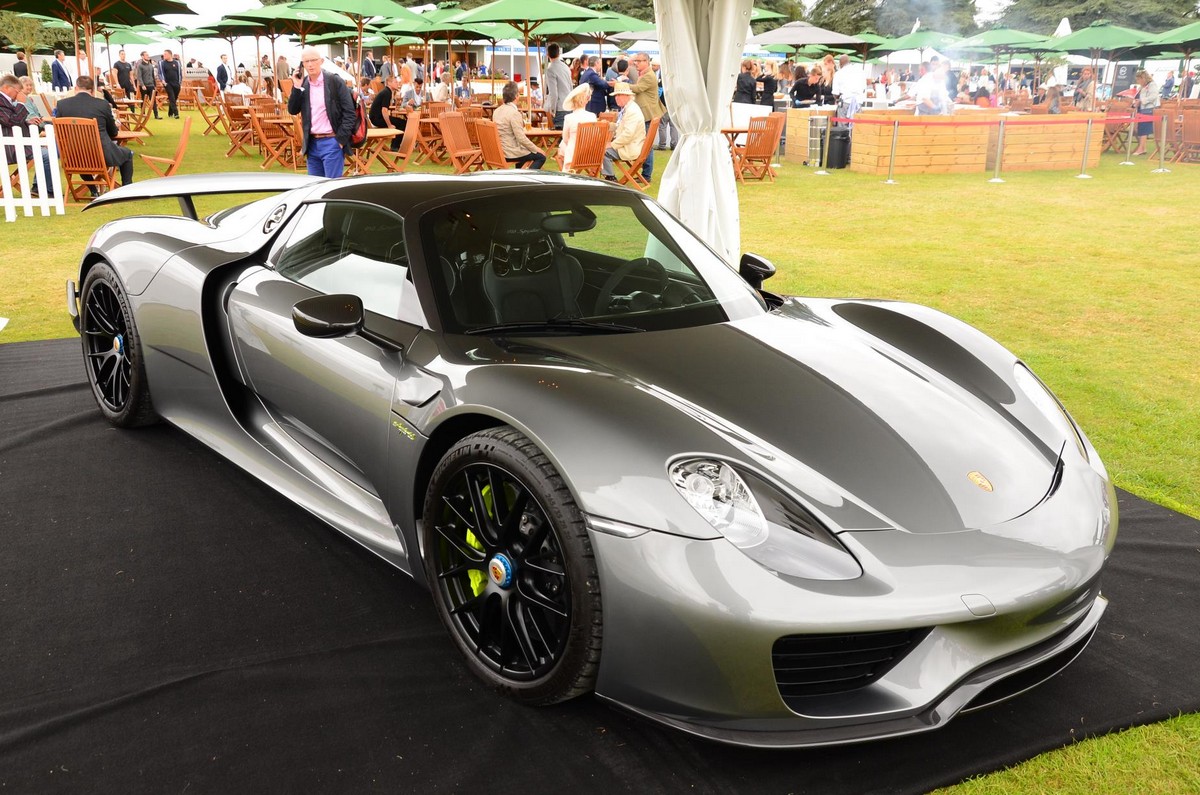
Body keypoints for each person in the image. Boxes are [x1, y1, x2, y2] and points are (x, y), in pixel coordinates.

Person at [288, 46, 356, 178]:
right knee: (314, 186)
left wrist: (340, 140)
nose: (310, 64)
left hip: (332, 141)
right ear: (302, 64)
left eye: (313, 60)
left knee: (331, 186)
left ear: (321, 61)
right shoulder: (303, 84)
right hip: (312, 143)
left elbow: (349, 112)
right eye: (306, 61)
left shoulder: (334, 81)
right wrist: (296, 86)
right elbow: (292, 110)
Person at [55, 75, 133, 190]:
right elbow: (113, 133)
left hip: (74, 156)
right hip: (101, 155)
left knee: (82, 157)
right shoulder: (102, 104)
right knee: (127, 154)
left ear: (76, 88)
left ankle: (93, 190)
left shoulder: (62, 105)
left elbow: (61, 132)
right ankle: (127, 189)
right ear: (92, 90)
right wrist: (115, 126)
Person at [0, 74, 54, 197]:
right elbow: (12, 121)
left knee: (46, 152)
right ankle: (46, 190)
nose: (19, 94)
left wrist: (27, 121)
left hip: (17, 144)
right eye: (17, 91)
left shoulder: (5, 100)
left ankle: (40, 187)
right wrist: (21, 103)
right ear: (7, 88)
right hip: (10, 148)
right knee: (47, 154)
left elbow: (10, 121)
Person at [493, 81, 546, 169]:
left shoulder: (497, 111)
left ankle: (519, 173)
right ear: (516, 96)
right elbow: (521, 138)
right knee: (541, 157)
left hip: (499, 151)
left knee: (524, 152)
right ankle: (526, 177)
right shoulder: (514, 113)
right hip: (510, 153)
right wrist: (536, 149)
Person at [629, 52, 663, 182]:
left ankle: (646, 175)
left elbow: (638, 89)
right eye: (635, 61)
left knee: (647, 146)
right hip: (648, 114)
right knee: (645, 144)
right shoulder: (645, 74)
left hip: (648, 115)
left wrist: (621, 84)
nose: (636, 63)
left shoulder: (648, 76)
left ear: (646, 62)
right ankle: (645, 174)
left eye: (638, 61)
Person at [601, 81, 644, 181]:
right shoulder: (629, 107)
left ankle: (610, 178)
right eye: (616, 95)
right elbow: (621, 126)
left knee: (602, 150)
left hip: (630, 148)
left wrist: (612, 144)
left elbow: (628, 135)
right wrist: (608, 125)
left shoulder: (632, 111)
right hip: (629, 145)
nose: (616, 98)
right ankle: (607, 176)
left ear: (627, 95)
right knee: (602, 147)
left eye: (619, 95)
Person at [555, 84, 595, 170]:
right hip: (591, 155)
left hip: (574, 155)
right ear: (587, 100)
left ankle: (567, 172)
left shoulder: (569, 118)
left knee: (562, 147)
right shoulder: (592, 116)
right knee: (564, 146)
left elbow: (565, 139)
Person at [543, 42, 572, 130]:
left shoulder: (550, 69)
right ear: (559, 53)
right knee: (566, 136)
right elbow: (571, 87)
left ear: (548, 55)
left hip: (559, 108)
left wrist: (552, 110)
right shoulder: (566, 67)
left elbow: (553, 93)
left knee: (559, 135)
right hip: (569, 106)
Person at [1131, 70, 1160, 156]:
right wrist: (1137, 102)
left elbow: (1153, 96)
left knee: (1144, 128)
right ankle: (1143, 148)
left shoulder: (1152, 85)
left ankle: (1141, 148)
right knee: (1141, 128)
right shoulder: (1141, 87)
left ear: (1143, 78)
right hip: (1142, 109)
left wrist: (1141, 101)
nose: (1138, 81)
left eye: (1139, 79)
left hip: (1150, 109)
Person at [832, 53, 866, 118]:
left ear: (840, 64)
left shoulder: (838, 73)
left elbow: (835, 93)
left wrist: (837, 99)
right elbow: (864, 89)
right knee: (856, 124)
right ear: (849, 62)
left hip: (845, 102)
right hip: (858, 103)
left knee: (842, 124)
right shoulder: (860, 72)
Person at [134, 50, 159, 119]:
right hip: (144, 86)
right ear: (142, 56)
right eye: (146, 55)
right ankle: (143, 114)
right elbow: (139, 76)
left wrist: (155, 85)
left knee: (153, 100)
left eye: (148, 55)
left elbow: (153, 76)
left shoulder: (150, 65)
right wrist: (142, 85)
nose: (148, 56)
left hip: (151, 85)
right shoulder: (140, 66)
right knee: (143, 101)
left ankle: (156, 115)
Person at [159, 49, 181, 118]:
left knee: (174, 98)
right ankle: (176, 113)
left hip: (176, 83)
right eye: (164, 54)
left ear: (170, 55)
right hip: (167, 83)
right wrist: (163, 81)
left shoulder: (177, 63)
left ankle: (170, 113)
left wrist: (179, 82)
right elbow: (160, 73)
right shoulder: (162, 63)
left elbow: (179, 73)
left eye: (165, 54)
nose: (164, 55)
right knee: (171, 97)